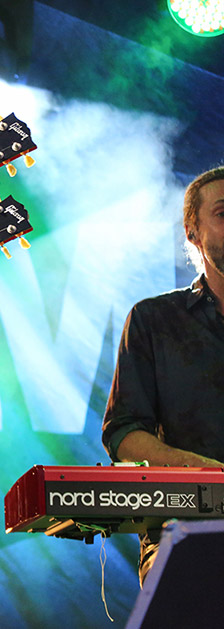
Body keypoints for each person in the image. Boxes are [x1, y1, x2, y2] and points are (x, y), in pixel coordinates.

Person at [101, 166, 224, 586]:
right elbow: (124, 435)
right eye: (223, 213)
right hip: (189, 532)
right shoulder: (154, 320)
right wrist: (212, 475)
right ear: (193, 232)